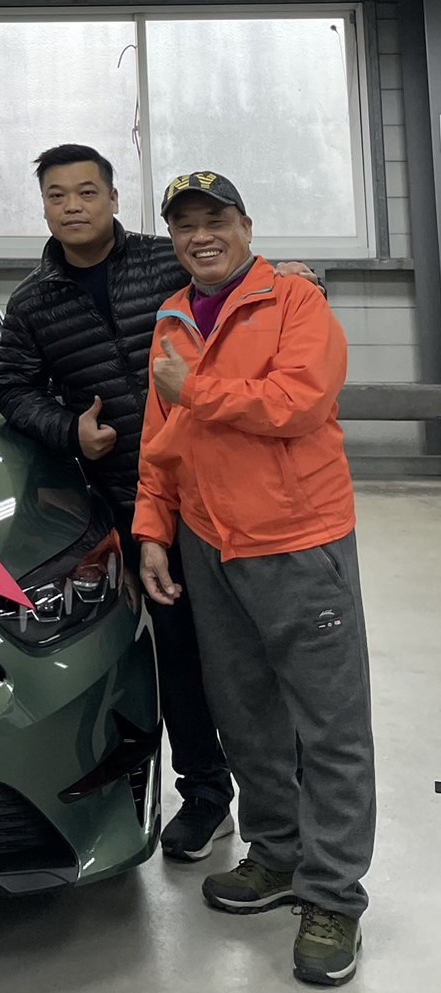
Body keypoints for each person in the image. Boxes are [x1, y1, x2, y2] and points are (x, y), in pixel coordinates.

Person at [134, 171, 374, 987]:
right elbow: (160, 439)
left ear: (245, 225)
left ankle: (332, 893)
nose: (200, 235)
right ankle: (277, 854)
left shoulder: (297, 302)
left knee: (330, 726)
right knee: (245, 714)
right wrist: (153, 529)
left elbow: (297, 402)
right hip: (210, 544)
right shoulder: (172, 317)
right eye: (185, 224)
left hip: (299, 541)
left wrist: (194, 389)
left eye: (215, 219)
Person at [0, 144, 251, 862]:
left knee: (252, 652)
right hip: (136, 501)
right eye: (57, 196)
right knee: (176, 655)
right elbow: (11, 389)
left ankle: (285, 799)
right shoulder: (34, 302)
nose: (72, 206)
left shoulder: (167, 262)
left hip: (226, 489)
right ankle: (206, 794)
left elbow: (238, 286)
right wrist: (68, 430)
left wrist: (292, 275)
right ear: (44, 206)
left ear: (112, 197)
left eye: (86, 192)